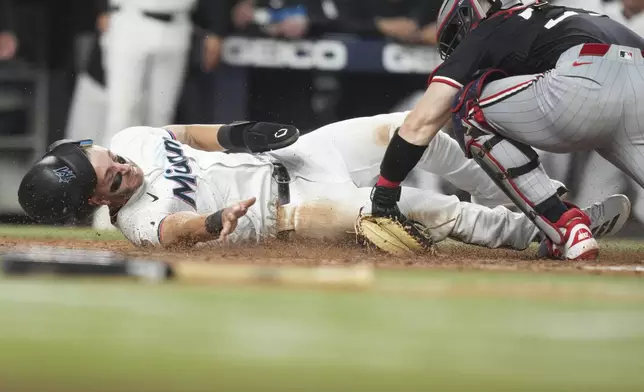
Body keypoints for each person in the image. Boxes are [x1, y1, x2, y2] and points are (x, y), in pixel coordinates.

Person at [17, 112, 629, 252]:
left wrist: (239, 133)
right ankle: (539, 235)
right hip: (303, 208)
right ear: (96, 199)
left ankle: (546, 207)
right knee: (429, 208)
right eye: (109, 176)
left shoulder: (127, 141)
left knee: (421, 131)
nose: (119, 164)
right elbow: (173, 231)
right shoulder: (135, 221)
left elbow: (186, 135)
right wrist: (212, 223)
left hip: (303, 161)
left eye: (106, 157)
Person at [369, 0, 644, 261]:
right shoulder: (580, 16)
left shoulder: (491, 26)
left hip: (580, 85)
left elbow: (421, 122)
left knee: (468, 105)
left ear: (470, 13)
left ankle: (563, 224)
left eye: (456, 32)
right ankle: (554, 222)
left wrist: (385, 191)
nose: (458, 42)